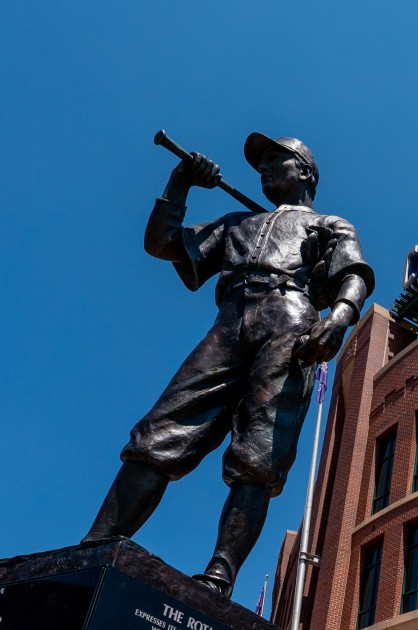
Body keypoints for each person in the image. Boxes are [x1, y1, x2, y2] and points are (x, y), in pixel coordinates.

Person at [82, 133, 373, 597]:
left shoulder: (328, 224)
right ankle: (96, 543)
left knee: (260, 453)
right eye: (261, 164)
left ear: (306, 172)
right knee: (160, 431)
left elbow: (353, 274)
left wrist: (338, 318)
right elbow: (162, 244)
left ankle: (219, 573)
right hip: (230, 321)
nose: (265, 170)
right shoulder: (238, 222)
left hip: (290, 319)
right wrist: (180, 183)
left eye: (277, 161)